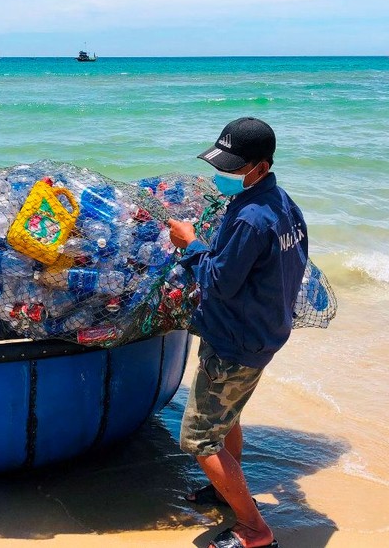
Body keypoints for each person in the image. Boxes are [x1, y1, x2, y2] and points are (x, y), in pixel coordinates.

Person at [168, 117, 307, 548]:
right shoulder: (284, 205)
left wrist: (189, 244)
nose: (223, 175)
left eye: (232, 168)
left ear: (260, 168)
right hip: (264, 330)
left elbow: (219, 282)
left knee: (198, 437)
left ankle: (255, 530)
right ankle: (225, 492)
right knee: (229, 416)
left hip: (236, 341)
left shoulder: (250, 218)